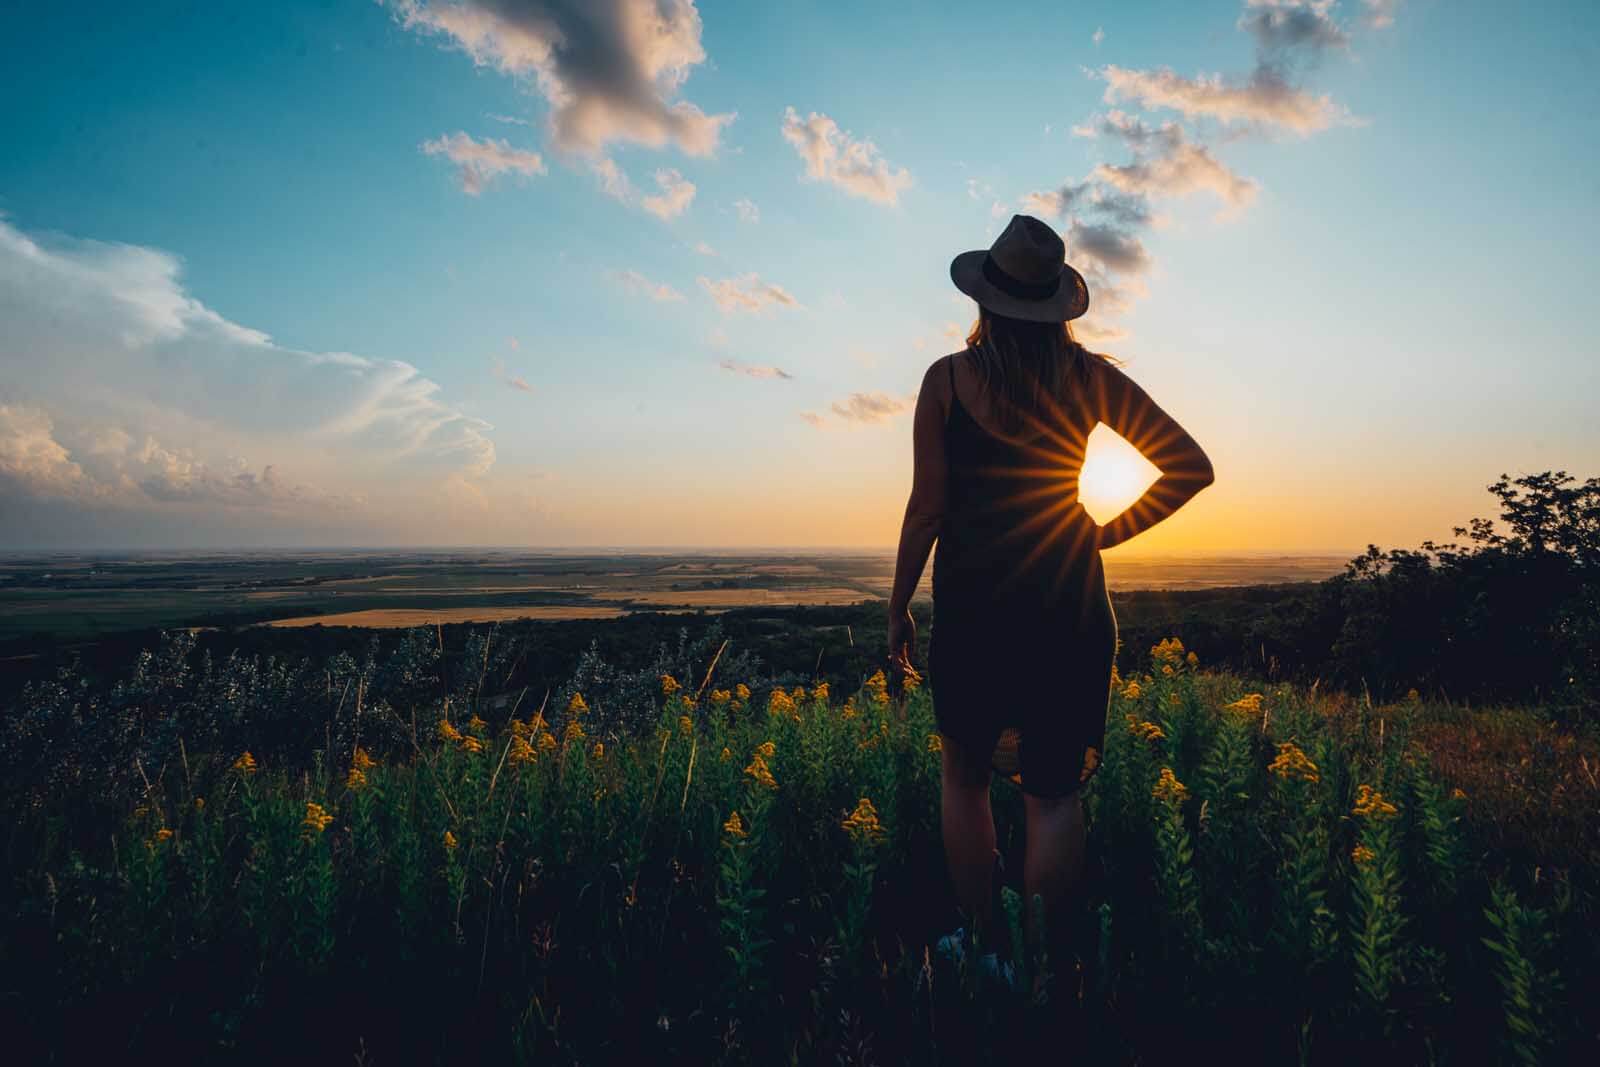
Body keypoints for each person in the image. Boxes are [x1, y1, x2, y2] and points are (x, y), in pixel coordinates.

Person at [887, 214, 1214, 996]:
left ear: (988, 300)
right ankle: (1040, 969)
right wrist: (1099, 532)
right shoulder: (1090, 380)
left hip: (971, 612)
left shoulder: (947, 380)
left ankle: (984, 944)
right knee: (1054, 794)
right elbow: (1187, 467)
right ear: (1054, 305)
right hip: (1068, 611)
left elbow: (927, 508)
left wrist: (896, 606)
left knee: (963, 779)